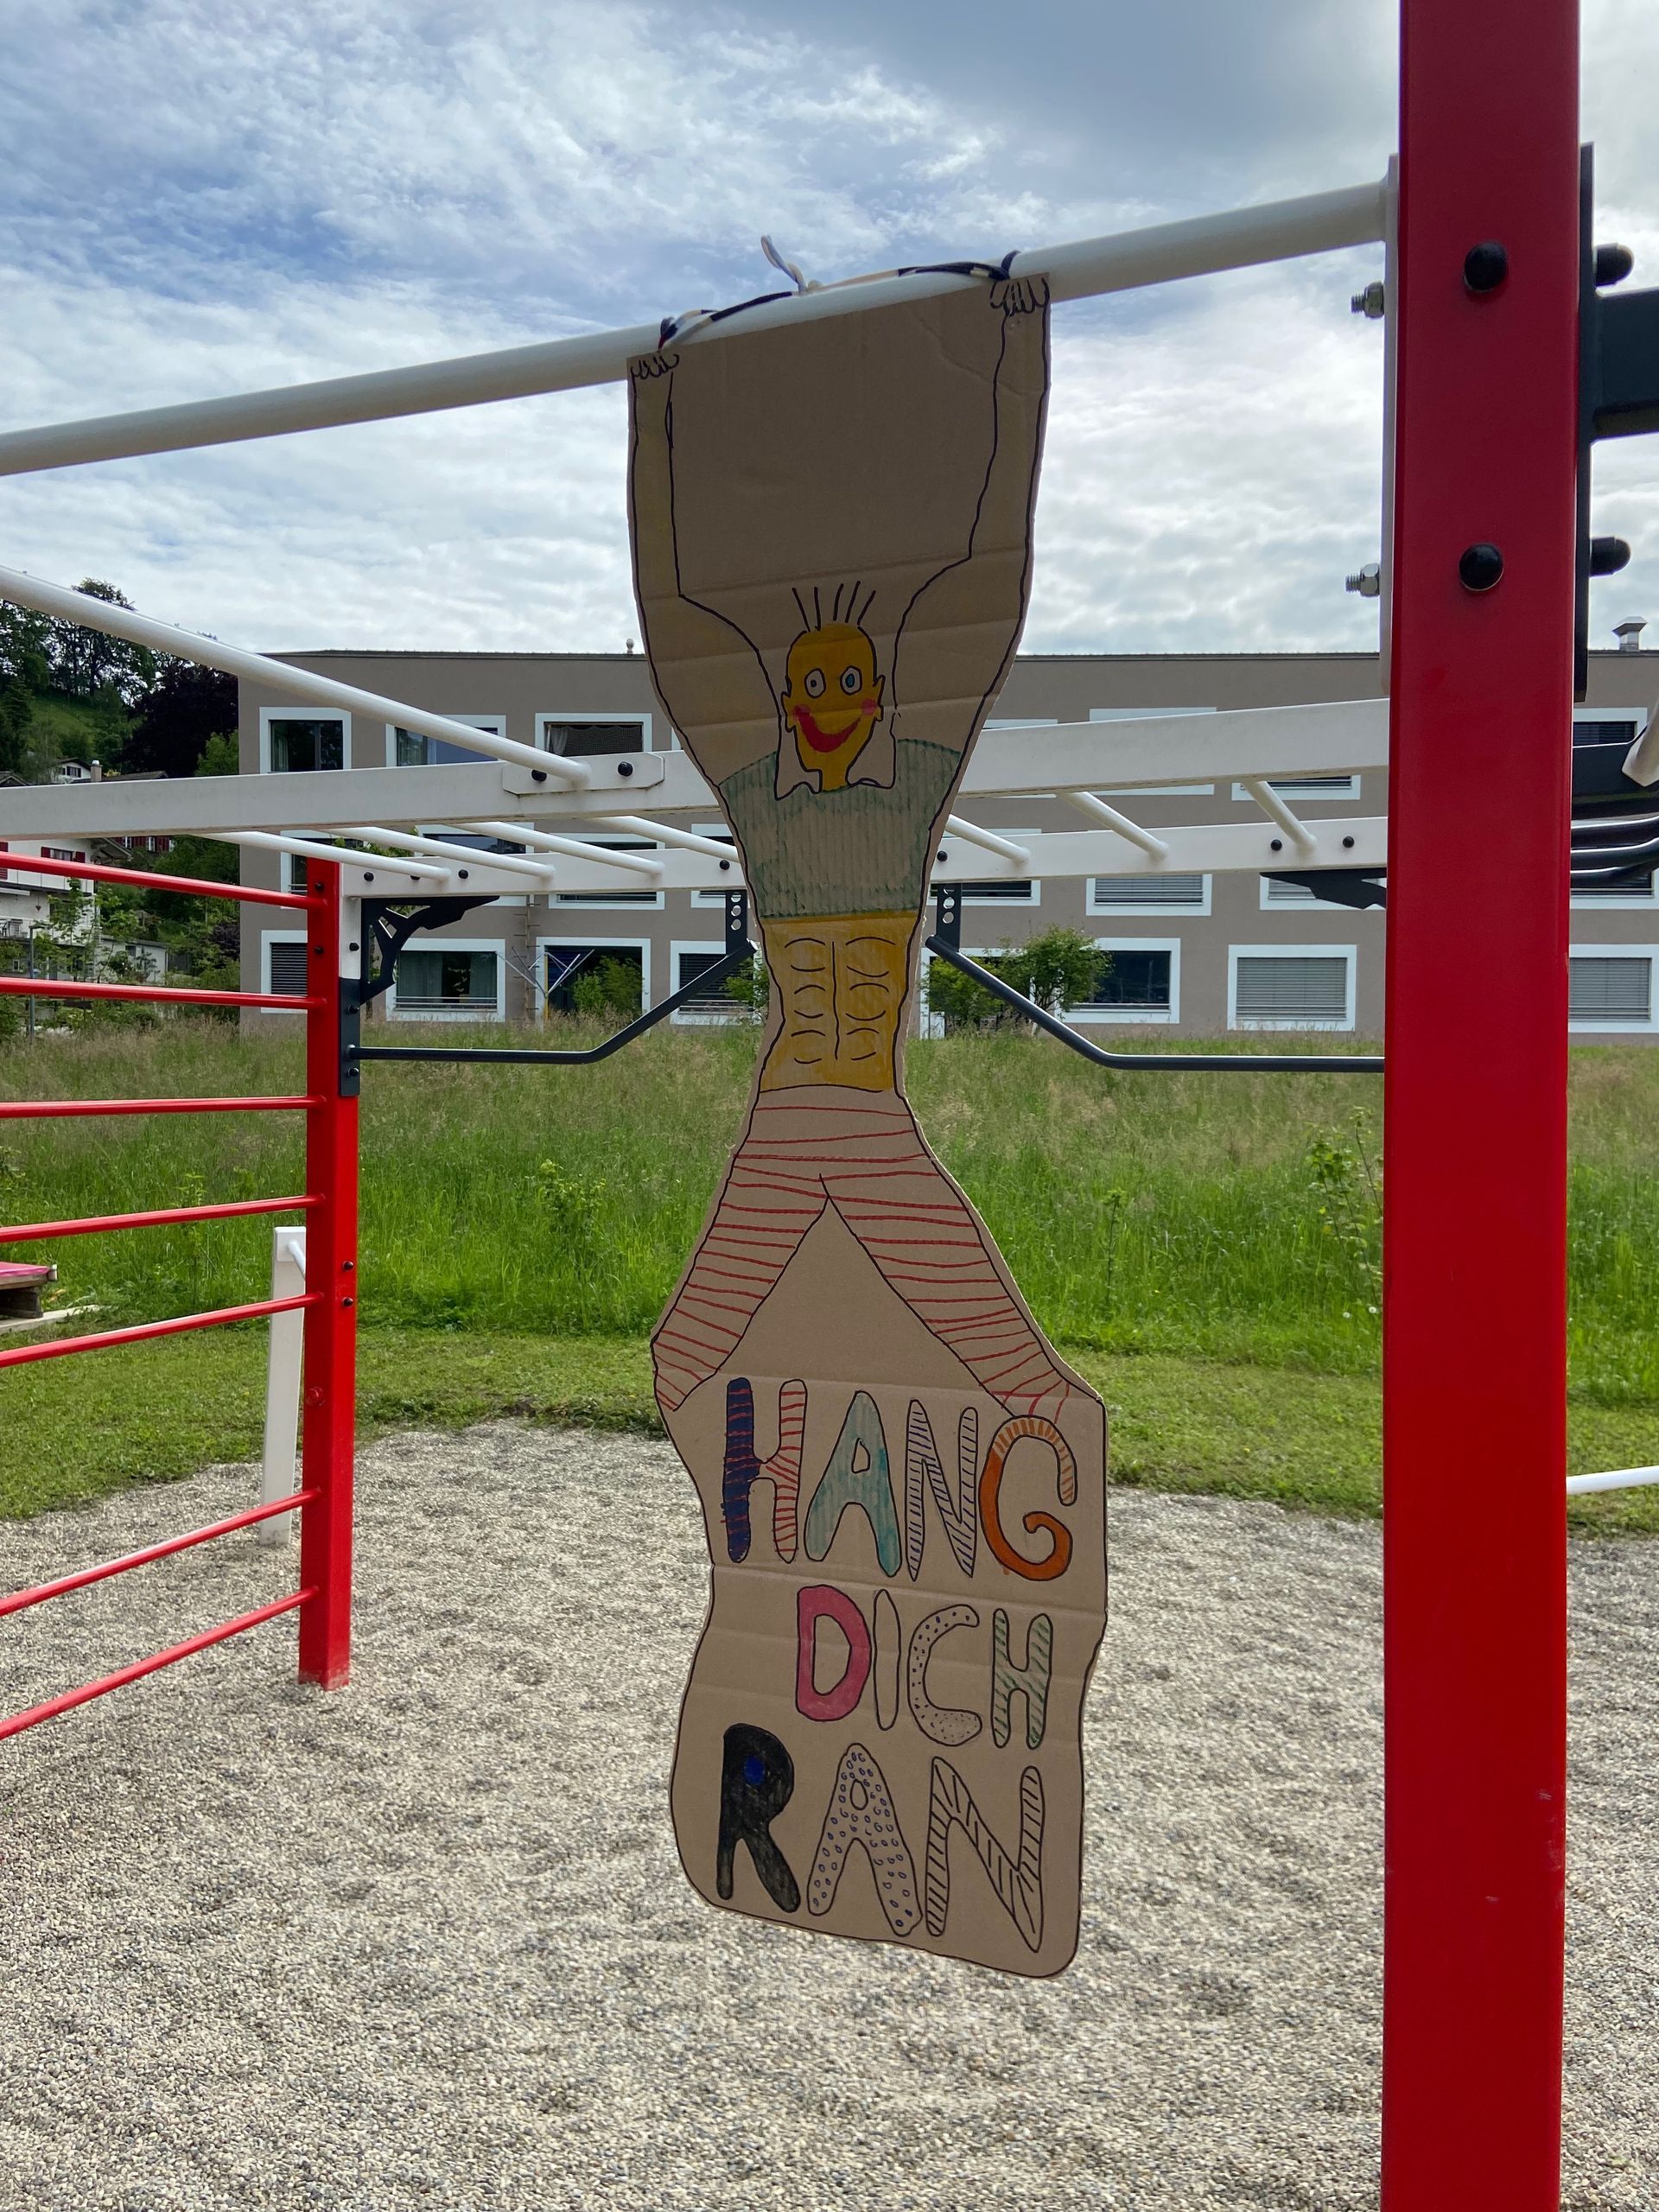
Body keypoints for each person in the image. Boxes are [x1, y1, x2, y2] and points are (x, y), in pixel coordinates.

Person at [628, 275, 1084, 1421]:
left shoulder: (908, 791)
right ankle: (778, 1490)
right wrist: (656, 415)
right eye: (808, 683)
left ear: (878, 694)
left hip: (869, 1123)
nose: (826, 699)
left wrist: (1014, 358)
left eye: (848, 680)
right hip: (787, 1127)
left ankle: (1025, 1474)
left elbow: (985, 581)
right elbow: (678, 620)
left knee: (1023, 1377)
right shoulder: (762, 803)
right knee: (682, 1358)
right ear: (784, 701)